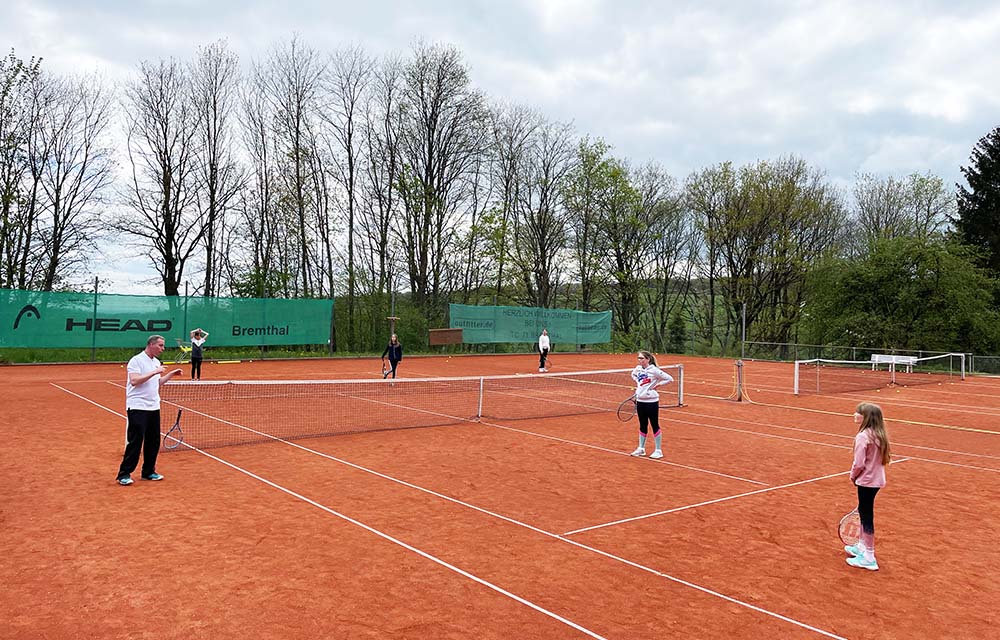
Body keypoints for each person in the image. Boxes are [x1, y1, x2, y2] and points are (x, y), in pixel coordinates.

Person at [116, 335, 183, 486]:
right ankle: (124, 474)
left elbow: (157, 383)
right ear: (151, 345)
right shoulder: (136, 360)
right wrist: (154, 371)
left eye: (163, 346)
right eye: (160, 345)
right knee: (136, 441)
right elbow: (134, 381)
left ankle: (148, 471)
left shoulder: (156, 362)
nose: (162, 349)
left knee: (153, 441)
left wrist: (170, 374)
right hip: (138, 406)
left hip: (154, 406)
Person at [845, 402, 891, 571]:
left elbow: (858, 463)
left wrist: (853, 476)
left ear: (866, 418)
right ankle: (863, 547)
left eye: (858, 413)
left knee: (866, 516)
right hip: (876, 481)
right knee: (865, 512)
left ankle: (869, 556)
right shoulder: (878, 435)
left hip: (866, 481)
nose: (854, 415)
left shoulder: (863, 436)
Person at [629, 350, 674, 460]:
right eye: (638, 358)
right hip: (640, 401)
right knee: (642, 424)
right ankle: (641, 448)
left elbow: (669, 379)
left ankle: (658, 450)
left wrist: (657, 385)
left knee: (654, 424)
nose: (639, 360)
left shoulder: (654, 370)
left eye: (641, 358)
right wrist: (639, 386)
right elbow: (633, 375)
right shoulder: (638, 369)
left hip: (652, 402)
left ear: (647, 359)